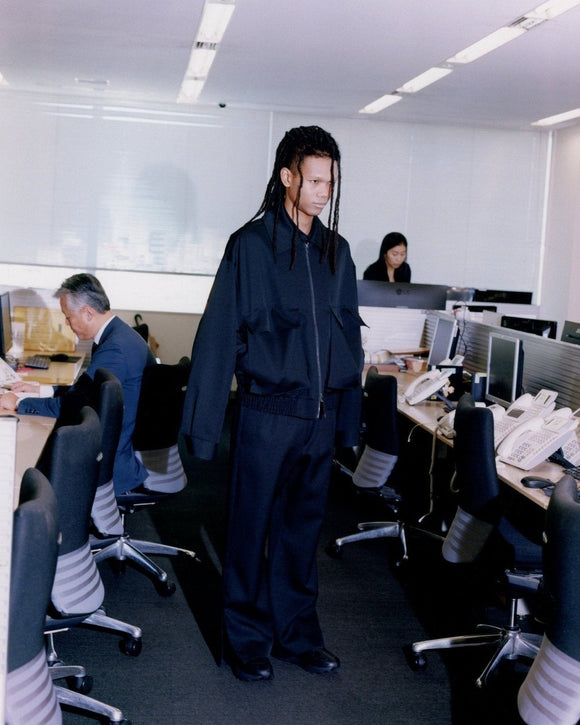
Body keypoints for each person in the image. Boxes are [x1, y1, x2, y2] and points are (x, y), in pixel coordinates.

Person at [181, 126, 363, 682]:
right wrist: (203, 428)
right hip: (266, 416)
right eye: (314, 181)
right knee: (249, 533)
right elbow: (219, 335)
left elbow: (349, 343)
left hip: (318, 421)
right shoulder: (250, 246)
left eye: (329, 182)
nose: (323, 192)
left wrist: (347, 424)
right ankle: (247, 641)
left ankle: (297, 636)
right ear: (287, 176)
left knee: (301, 535)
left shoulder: (338, 253)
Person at [0, 273, 156, 494]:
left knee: (24, 460)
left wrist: (19, 403)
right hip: (116, 440)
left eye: (68, 316)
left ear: (88, 313)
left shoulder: (115, 349)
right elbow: (86, 390)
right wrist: (43, 389)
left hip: (110, 461)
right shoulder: (117, 334)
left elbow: (74, 404)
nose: (66, 322)